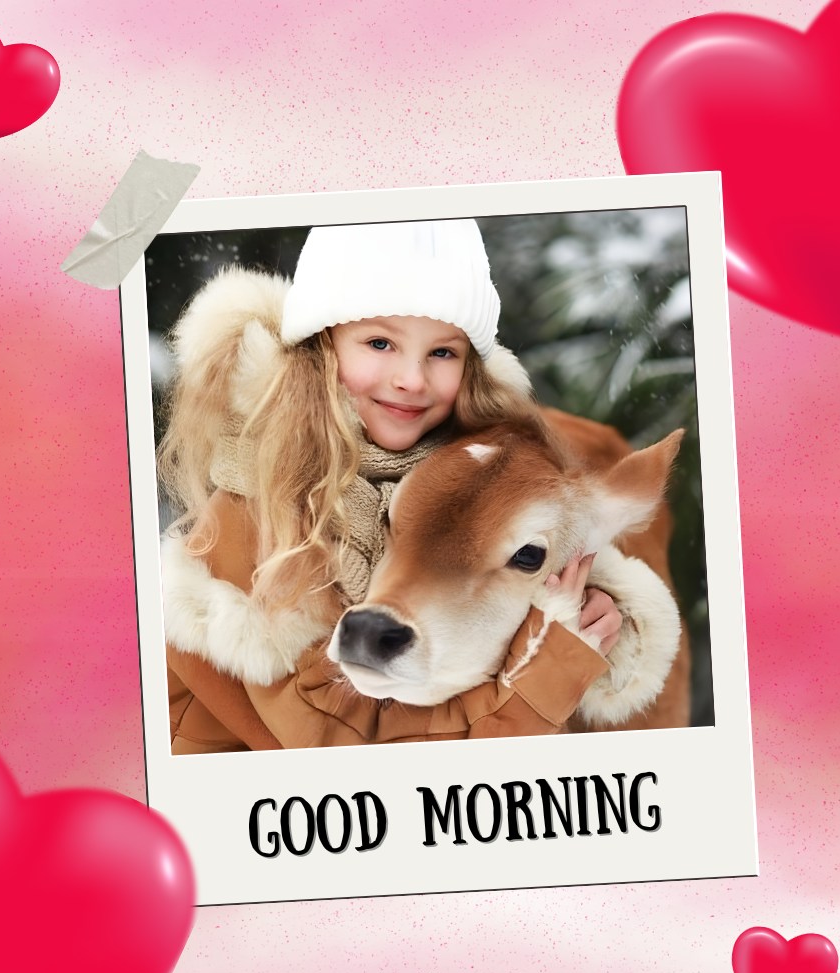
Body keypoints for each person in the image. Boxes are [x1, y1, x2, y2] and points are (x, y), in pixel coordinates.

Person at [158, 219, 622, 752]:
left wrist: (594, 615)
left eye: (442, 353)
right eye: (380, 342)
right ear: (321, 346)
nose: (412, 379)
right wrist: (549, 667)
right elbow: (351, 749)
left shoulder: (458, 476)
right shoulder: (255, 510)